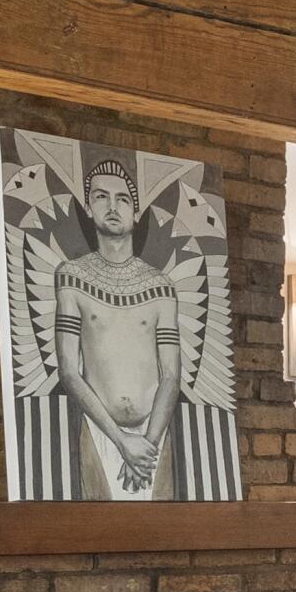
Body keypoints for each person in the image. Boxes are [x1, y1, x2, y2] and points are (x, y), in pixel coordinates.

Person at [52, 156, 182, 499]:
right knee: (96, 530)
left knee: (164, 533)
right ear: (89, 208)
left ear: (135, 212)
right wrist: (121, 440)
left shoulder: (161, 284)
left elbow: (170, 375)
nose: (112, 206)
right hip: (100, 432)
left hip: (153, 436)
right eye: (101, 197)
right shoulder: (72, 277)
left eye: (123, 198)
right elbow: (68, 370)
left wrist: (146, 446)